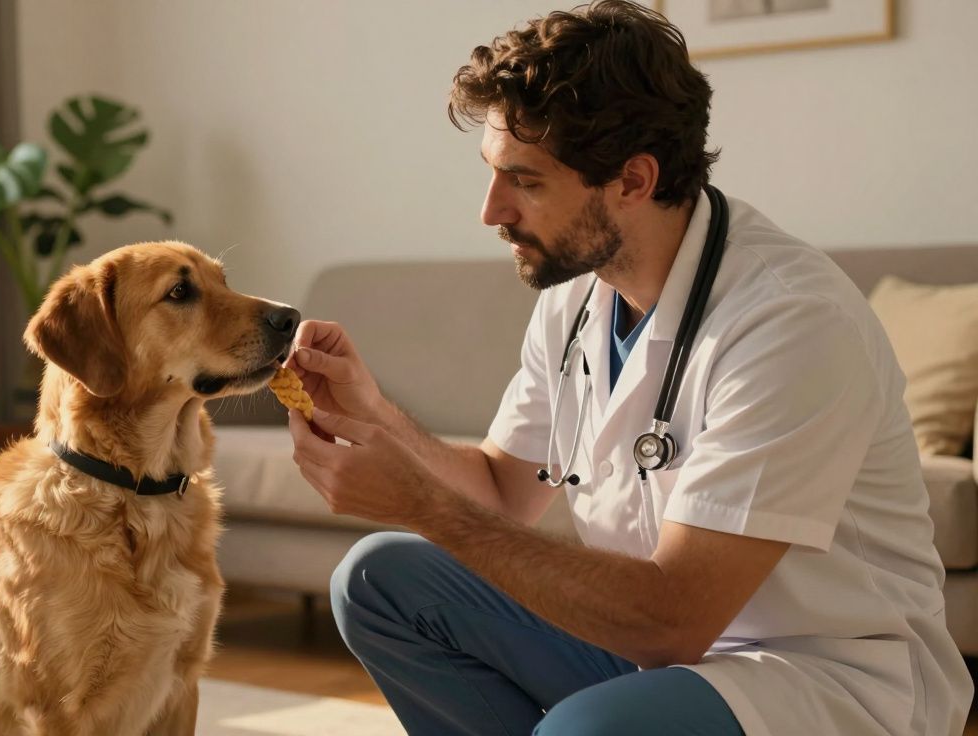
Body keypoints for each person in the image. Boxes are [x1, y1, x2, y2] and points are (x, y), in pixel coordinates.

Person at [281, 2, 973, 734]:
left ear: (633, 181)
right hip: (656, 652)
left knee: (588, 730)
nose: (491, 212)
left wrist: (422, 504)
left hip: (819, 673)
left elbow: (673, 618)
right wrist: (374, 414)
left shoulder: (790, 321)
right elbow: (500, 490)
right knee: (380, 579)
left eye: (526, 180)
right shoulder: (578, 291)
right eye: (492, 173)